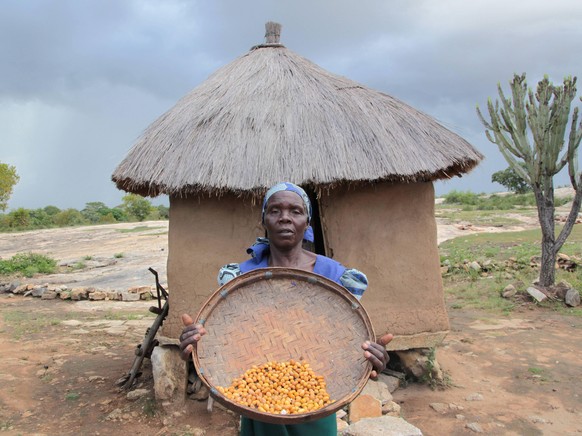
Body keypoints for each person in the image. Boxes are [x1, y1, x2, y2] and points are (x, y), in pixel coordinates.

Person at [180, 182, 393, 436]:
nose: (284, 218)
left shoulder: (335, 278)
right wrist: (197, 345)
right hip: (256, 401)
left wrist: (373, 358)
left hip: (316, 403)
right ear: (264, 220)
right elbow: (224, 339)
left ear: (308, 222)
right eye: (275, 211)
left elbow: (346, 343)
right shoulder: (241, 279)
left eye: (295, 211)